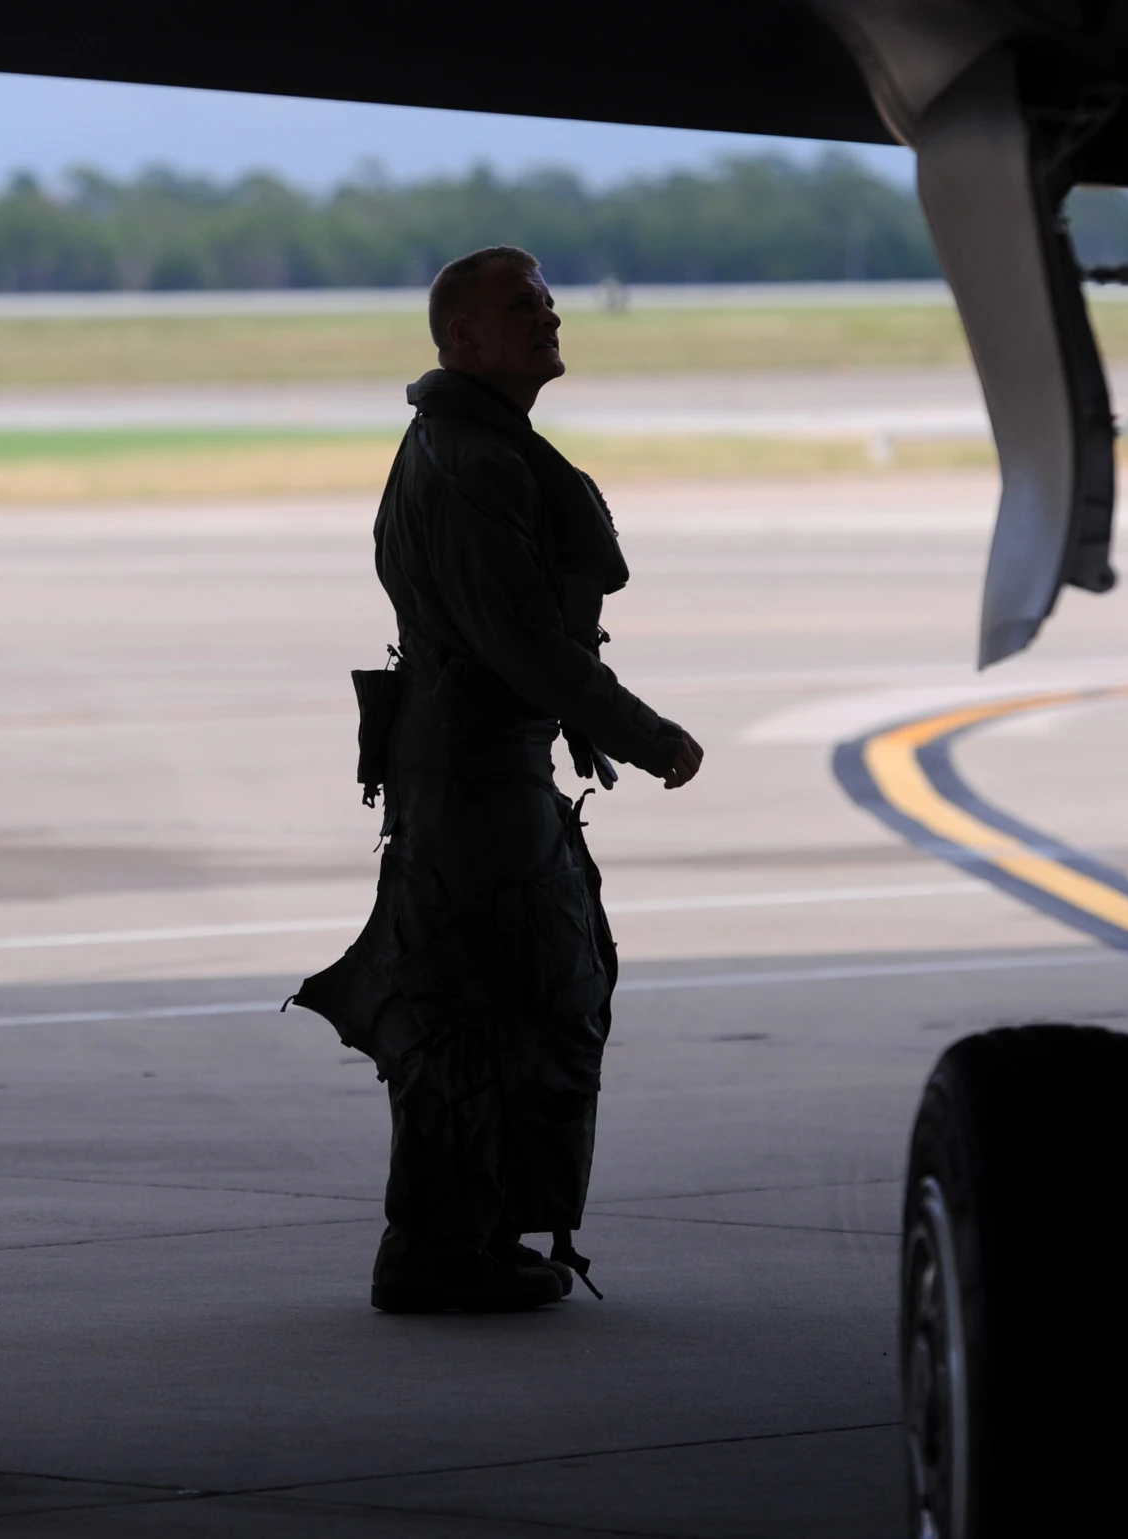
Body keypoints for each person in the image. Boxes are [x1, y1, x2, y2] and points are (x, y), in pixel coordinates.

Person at [294, 247, 705, 1314]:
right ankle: (434, 1248)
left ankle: (462, 1233)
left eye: (547, 300)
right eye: (520, 305)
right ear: (460, 339)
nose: (547, 314)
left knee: (524, 993)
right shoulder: (470, 463)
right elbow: (524, 643)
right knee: (480, 1009)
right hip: (476, 780)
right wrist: (647, 734)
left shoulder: (474, 448)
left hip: (484, 769)